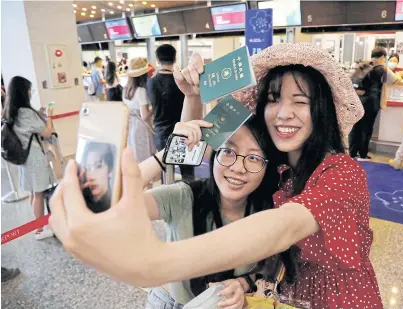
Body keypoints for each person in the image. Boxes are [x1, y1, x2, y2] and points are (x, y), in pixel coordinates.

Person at [49, 44, 383, 309]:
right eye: (273, 99)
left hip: (341, 301)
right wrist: (192, 98)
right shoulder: (277, 170)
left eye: (300, 101)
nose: (283, 113)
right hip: (290, 294)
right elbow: (199, 146)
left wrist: (154, 263)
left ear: (321, 108)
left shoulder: (342, 172)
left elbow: (286, 226)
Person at [139, 119, 279, 308]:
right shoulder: (184, 196)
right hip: (169, 303)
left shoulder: (266, 212)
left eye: (254, 158)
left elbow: (269, 263)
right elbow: (113, 201)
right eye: (228, 151)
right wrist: (168, 152)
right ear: (214, 155)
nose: (238, 168)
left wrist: (242, 283)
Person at [3, 76, 54, 240]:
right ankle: (39, 230)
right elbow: (46, 132)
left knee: (34, 193)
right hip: (34, 157)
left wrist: (38, 115)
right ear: (23, 92)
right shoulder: (26, 112)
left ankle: (37, 225)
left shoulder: (11, 111)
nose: (31, 92)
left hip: (24, 157)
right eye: (29, 89)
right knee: (39, 194)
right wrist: (49, 116)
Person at [147, 44, 194, 181]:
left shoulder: (151, 82)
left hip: (161, 132)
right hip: (183, 131)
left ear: (157, 60)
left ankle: (166, 200)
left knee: (166, 174)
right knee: (187, 174)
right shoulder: (182, 81)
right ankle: (190, 199)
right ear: (175, 58)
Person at [349, 47, 399, 161]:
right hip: (371, 101)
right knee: (366, 128)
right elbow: (395, 80)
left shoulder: (363, 65)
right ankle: (362, 155)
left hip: (358, 99)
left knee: (356, 127)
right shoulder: (383, 69)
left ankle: (351, 153)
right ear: (382, 57)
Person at [123, 57, 156, 165]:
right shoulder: (141, 91)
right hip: (141, 127)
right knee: (145, 155)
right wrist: (154, 107)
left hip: (130, 125)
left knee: (135, 154)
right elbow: (144, 115)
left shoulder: (126, 89)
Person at [78, 141, 115, 213]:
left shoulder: (117, 201)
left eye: (98, 166)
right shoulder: (83, 203)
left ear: (110, 170)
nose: (91, 177)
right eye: (88, 168)